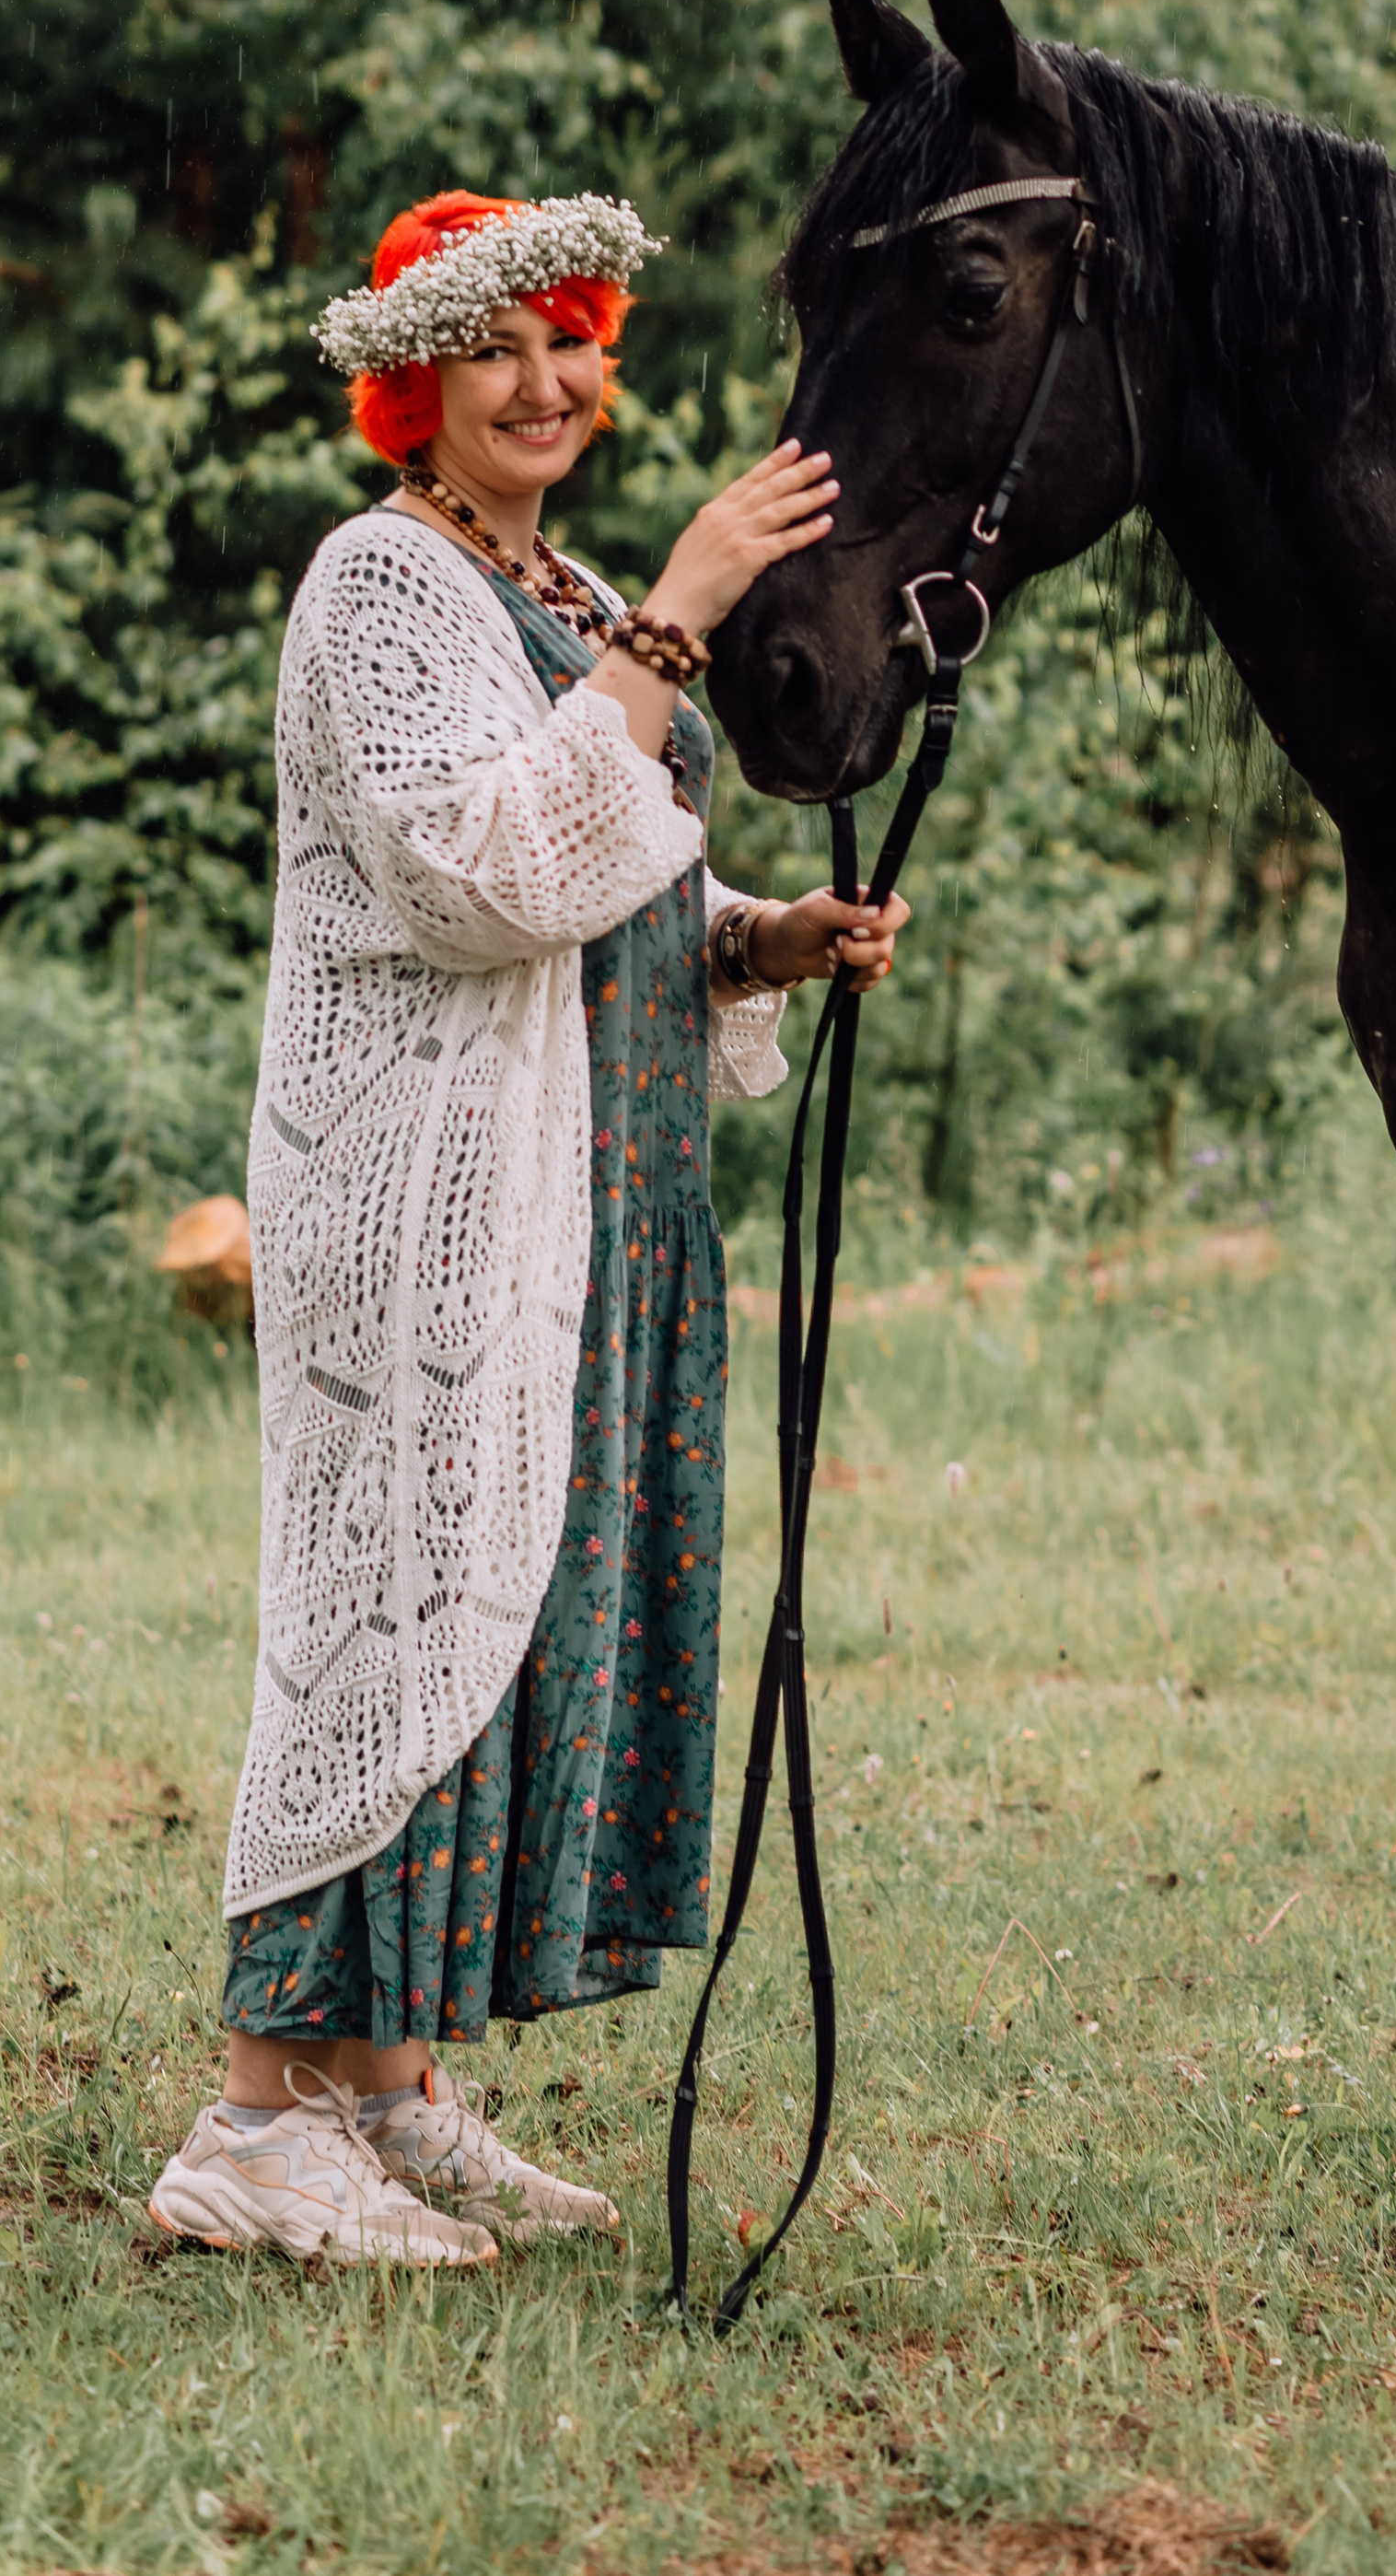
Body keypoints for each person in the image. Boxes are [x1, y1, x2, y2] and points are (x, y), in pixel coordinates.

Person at [150, 187, 910, 2266]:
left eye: (571, 337)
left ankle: (385, 2091)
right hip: (434, 1204)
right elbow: (476, 874)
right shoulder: (379, 583)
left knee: (499, 1624)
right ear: (413, 386)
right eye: (495, 347)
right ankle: (255, 2117)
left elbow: (605, 865)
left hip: (602, 1206)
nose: (545, 380)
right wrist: (678, 614)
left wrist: (753, 936)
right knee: (389, 1625)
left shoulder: (548, 584)